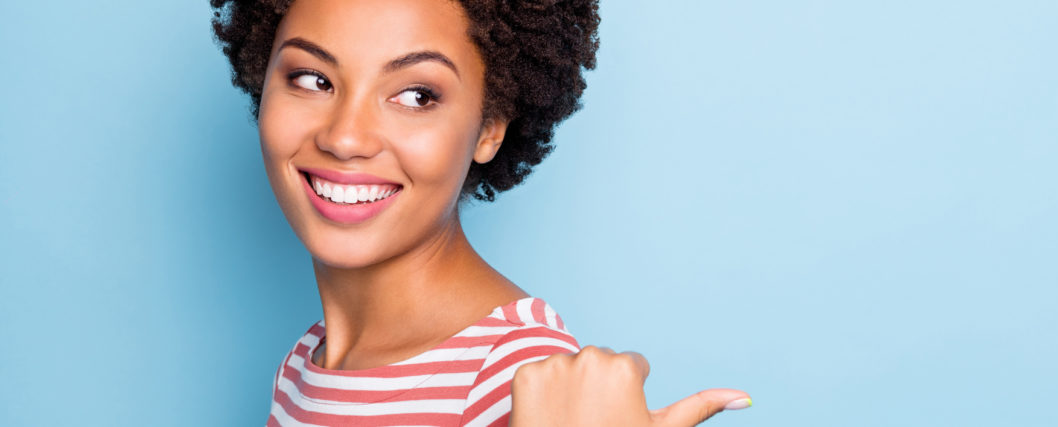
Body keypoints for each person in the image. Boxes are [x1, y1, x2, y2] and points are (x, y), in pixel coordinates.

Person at [210, 0, 750, 425]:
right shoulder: (308, 361)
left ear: (490, 127)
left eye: (417, 95)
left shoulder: (514, 380)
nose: (345, 137)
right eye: (312, 79)